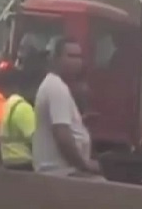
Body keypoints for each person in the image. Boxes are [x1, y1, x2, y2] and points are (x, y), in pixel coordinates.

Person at [32, 37, 100, 177]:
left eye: (79, 57)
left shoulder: (55, 85)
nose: (77, 61)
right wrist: (84, 165)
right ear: (56, 59)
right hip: (62, 172)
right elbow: (62, 135)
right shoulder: (56, 87)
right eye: (71, 56)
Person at [0, 67, 35, 171]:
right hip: (25, 162)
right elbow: (35, 139)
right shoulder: (23, 107)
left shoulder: (7, 105)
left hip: (8, 161)